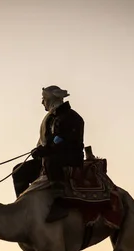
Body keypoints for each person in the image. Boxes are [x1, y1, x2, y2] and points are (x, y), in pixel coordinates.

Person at [31, 85, 85, 222]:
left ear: (51, 99)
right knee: (20, 170)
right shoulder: (51, 119)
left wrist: (45, 150)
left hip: (70, 156)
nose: (42, 102)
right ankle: (27, 206)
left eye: (44, 98)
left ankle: (60, 203)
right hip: (52, 154)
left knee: (51, 162)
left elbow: (64, 142)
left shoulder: (71, 117)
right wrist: (40, 150)